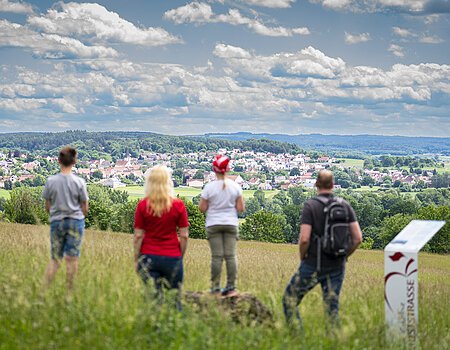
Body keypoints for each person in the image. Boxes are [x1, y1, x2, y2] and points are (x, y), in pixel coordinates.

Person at [282, 170, 362, 327]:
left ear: (316, 184)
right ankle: (334, 341)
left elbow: (304, 238)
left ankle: (297, 337)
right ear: (332, 185)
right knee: (332, 308)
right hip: (337, 264)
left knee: (289, 299)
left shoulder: (310, 206)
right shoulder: (344, 205)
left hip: (313, 263)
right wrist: (345, 255)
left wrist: (303, 257)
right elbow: (358, 238)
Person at [134, 165, 189, 308]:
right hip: (172, 257)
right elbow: (184, 235)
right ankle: (175, 328)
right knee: (175, 300)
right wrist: (179, 255)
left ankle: (154, 328)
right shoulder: (178, 205)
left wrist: (136, 258)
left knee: (153, 301)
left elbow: (138, 236)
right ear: (168, 182)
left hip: (148, 256)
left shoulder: (143, 205)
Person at [43, 147, 89, 291]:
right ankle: (69, 292)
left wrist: (55, 214)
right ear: (74, 161)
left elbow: (47, 205)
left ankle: (43, 291)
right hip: (76, 221)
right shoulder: (79, 182)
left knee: (55, 258)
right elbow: (85, 207)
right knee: (72, 258)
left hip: (57, 221)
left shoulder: (51, 181)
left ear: (58, 161)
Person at [199, 155, 245, 297]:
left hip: (213, 223)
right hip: (230, 223)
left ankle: (215, 288)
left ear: (214, 170)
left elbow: (202, 208)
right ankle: (231, 287)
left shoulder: (209, 187)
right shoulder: (235, 187)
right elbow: (241, 208)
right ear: (228, 169)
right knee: (230, 256)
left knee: (217, 257)